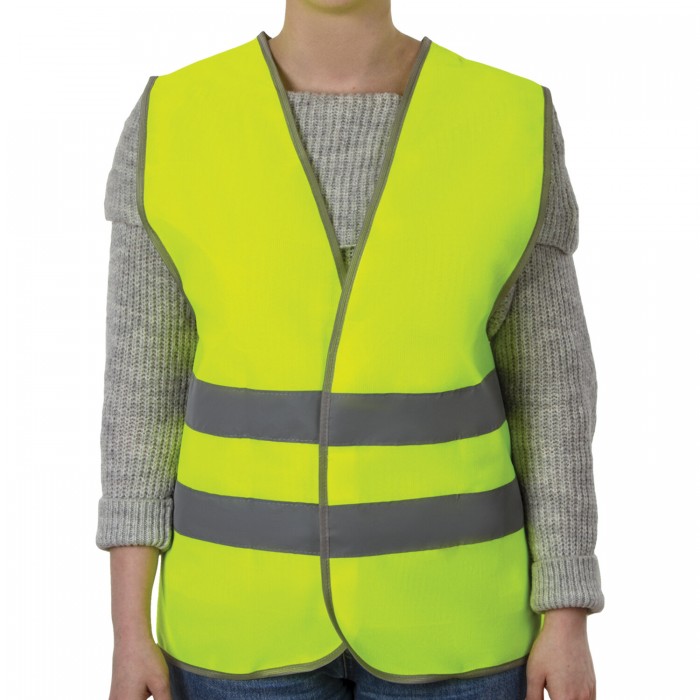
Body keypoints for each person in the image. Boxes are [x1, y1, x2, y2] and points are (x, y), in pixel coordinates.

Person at [96, 2, 604, 699]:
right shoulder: (175, 117)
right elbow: (139, 397)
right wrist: (128, 631)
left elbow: (554, 396)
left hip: (460, 624)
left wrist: (567, 614)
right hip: (235, 626)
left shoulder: (509, 117)